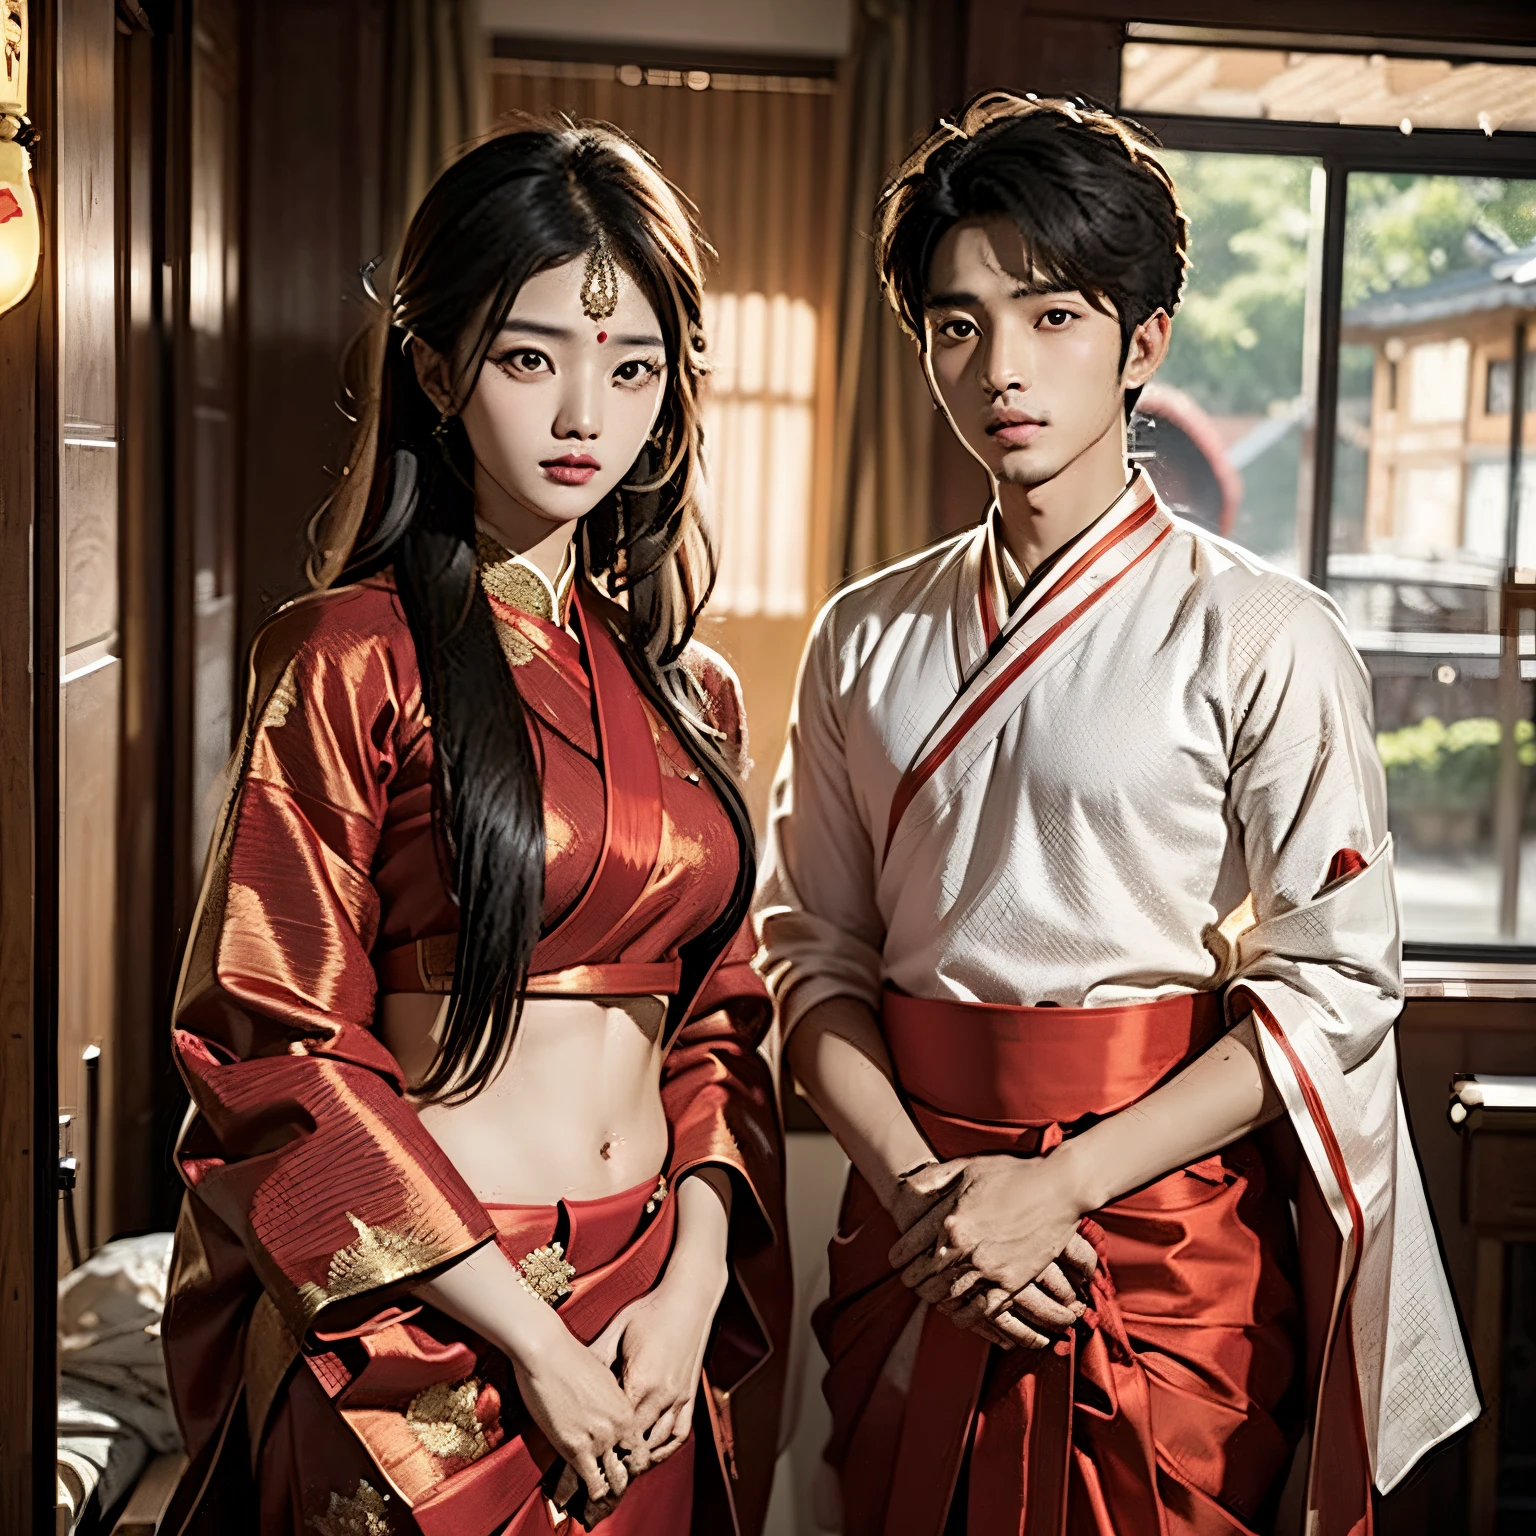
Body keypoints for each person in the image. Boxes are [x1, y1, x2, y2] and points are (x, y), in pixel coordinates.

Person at [753, 92, 1476, 1536]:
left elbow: (1333, 983)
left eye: (1054, 316)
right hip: (923, 1216)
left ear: (1144, 342)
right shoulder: (862, 636)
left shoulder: (1264, 633)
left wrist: (1060, 1188)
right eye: (958, 325)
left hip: (1154, 1231)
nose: (1001, 368)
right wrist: (931, 1202)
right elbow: (807, 956)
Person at [160, 121, 790, 1536]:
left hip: (645, 1328)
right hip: (427, 1328)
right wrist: (534, 1343)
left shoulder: (695, 692)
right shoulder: (344, 656)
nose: (585, 415)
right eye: (529, 356)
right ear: (437, 370)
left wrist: (689, 1291)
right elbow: (276, 1043)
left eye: (630, 368)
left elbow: (725, 1014)